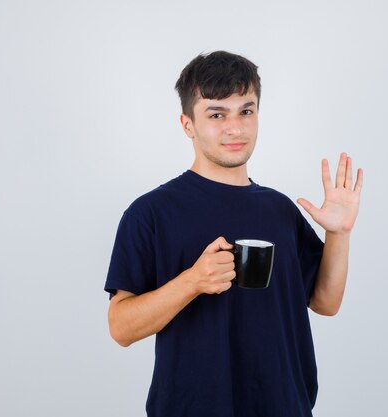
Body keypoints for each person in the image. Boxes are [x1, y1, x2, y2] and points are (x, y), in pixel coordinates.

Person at [104, 50, 363, 417]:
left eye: (246, 110)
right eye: (216, 114)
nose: (235, 128)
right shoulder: (150, 213)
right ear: (187, 124)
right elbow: (120, 328)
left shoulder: (280, 209)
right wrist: (192, 281)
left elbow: (325, 302)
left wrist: (339, 234)